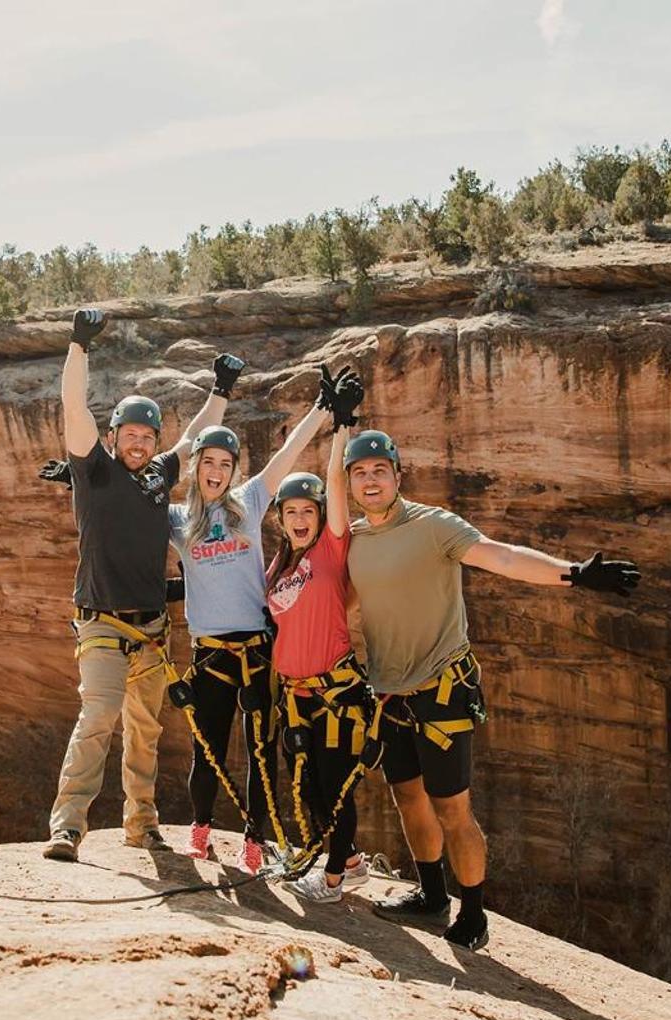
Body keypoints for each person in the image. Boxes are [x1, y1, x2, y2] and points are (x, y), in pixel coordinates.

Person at [343, 428, 640, 948]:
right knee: (408, 798)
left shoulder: (433, 526)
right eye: (359, 473)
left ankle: (474, 915)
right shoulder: (354, 540)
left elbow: (500, 556)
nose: (370, 481)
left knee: (453, 808)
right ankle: (432, 898)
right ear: (348, 483)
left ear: (397, 476)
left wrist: (572, 574)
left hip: (441, 691)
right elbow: (337, 608)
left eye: (379, 471)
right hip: (388, 696)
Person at [41, 308, 240, 862]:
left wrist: (220, 390)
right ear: (112, 437)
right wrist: (79, 344)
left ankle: (141, 826)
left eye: (147, 436)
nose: (139, 443)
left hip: (152, 629)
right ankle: (68, 826)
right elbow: (72, 406)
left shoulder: (159, 476)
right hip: (102, 623)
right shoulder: (93, 470)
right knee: (99, 715)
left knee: (146, 730)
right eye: (130, 435)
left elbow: (198, 434)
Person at [168, 365, 336, 874]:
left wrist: (323, 411)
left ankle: (253, 840)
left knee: (261, 752)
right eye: (208, 462)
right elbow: (131, 508)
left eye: (225, 463)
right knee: (208, 749)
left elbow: (289, 454)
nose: (216, 471)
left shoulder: (249, 501)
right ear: (195, 466)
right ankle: (199, 830)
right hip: (211, 653)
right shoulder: (178, 518)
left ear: (235, 469)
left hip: (259, 650)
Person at [268, 369, 378, 903]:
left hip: (335, 692)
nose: (299, 519)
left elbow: (337, 489)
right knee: (309, 789)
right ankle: (351, 862)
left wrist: (341, 429)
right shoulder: (279, 568)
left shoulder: (331, 551)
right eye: (290, 513)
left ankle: (333, 881)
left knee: (335, 790)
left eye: (307, 511)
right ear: (282, 521)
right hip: (295, 697)